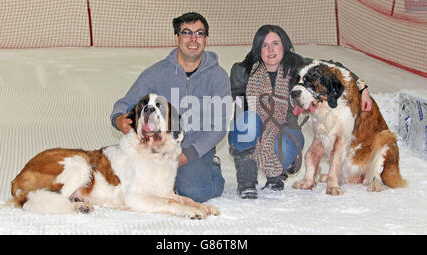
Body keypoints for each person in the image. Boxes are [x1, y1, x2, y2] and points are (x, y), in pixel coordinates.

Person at [229, 25, 372, 199]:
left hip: (284, 128)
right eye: (264, 45)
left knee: (286, 147)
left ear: (285, 45)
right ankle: (247, 181)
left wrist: (362, 87)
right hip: (253, 126)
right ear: (257, 48)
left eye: (275, 43)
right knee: (247, 124)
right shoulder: (242, 71)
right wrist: (242, 138)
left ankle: (276, 176)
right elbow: (235, 107)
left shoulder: (297, 66)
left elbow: (334, 68)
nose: (270, 50)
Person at [110, 12, 231, 203]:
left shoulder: (218, 77)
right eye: (186, 33)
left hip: (195, 149)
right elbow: (127, 102)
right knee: (127, 179)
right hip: (159, 146)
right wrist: (118, 118)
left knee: (195, 191)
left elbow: (218, 127)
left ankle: (211, 168)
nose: (193, 39)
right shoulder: (157, 73)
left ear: (206, 38)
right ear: (176, 37)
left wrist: (186, 155)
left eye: (199, 33)